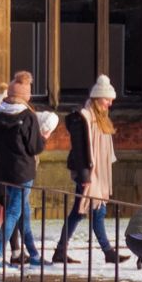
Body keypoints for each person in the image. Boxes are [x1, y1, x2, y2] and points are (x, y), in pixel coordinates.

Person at [0, 73, 45, 267]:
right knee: (13, 213)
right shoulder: (28, 116)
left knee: (24, 213)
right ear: (24, 95)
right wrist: (43, 136)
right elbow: (35, 147)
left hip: (4, 171)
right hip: (24, 172)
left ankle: (34, 255)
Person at [59, 74, 126, 262]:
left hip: (99, 176)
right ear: (97, 98)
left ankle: (60, 250)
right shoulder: (84, 118)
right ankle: (108, 252)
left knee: (80, 213)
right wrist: (85, 175)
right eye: (107, 99)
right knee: (94, 211)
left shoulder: (101, 120)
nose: (110, 104)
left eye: (111, 100)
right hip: (89, 174)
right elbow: (80, 151)